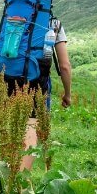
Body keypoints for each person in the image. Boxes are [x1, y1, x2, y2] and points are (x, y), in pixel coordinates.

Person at [7, 18, 72, 171]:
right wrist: (67, 94)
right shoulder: (54, 24)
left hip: (8, 77)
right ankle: (20, 181)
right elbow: (64, 66)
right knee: (30, 129)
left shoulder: (14, 15)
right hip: (36, 80)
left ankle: (8, 176)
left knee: (14, 129)